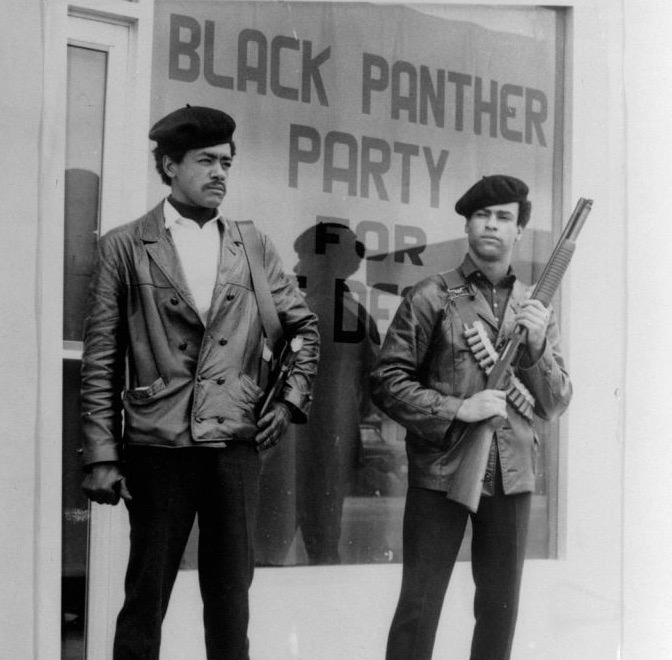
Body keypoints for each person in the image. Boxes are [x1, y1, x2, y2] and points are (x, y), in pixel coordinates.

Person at [80, 105, 320, 660]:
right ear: (168, 166)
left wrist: (288, 400)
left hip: (235, 444)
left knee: (232, 601)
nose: (220, 174)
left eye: (227, 164)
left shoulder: (251, 244)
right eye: (206, 161)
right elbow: (100, 360)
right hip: (157, 445)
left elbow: (303, 329)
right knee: (145, 601)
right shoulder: (124, 245)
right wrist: (100, 455)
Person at [370, 175, 572, 660]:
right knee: (418, 609)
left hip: (512, 475)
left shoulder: (536, 307)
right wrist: (458, 408)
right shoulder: (431, 296)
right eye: (483, 215)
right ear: (467, 224)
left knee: (500, 615)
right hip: (443, 472)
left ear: (519, 230)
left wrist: (538, 346)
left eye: (504, 217)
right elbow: (385, 382)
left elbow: (555, 402)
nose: (492, 225)